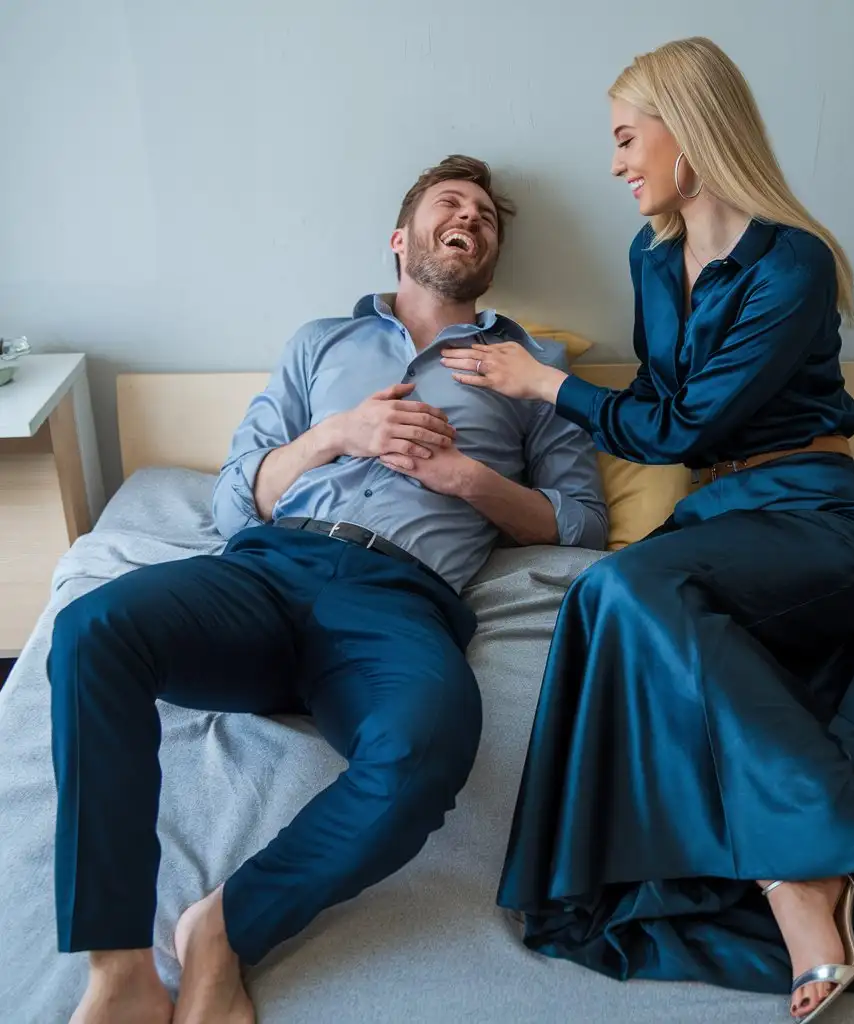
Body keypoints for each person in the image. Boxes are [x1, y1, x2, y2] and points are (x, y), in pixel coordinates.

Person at [441, 38, 854, 1021]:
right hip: (714, 517)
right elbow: (664, 411)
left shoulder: (789, 261)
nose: (618, 162)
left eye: (628, 137)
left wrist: (544, 383)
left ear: (689, 126)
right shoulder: (651, 257)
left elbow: (677, 425)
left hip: (812, 516)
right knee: (607, 596)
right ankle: (813, 870)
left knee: (625, 590)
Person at [48, 154, 608, 1024]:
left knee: (428, 747)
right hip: (270, 569)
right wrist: (336, 435)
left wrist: (466, 479)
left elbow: (579, 522)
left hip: (398, 602)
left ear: (489, 254)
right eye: (448, 204)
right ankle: (118, 968)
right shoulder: (320, 343)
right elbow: (237, 497)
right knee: (90, 630)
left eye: (486, 217)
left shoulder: (529, 366)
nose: (470, 218)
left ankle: (224, 929)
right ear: (401, 239)